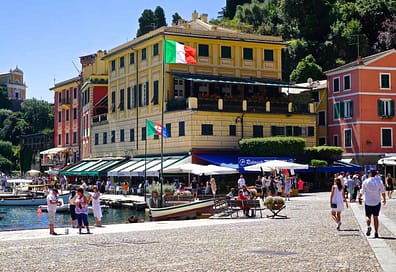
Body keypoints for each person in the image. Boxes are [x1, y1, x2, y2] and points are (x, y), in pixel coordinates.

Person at [359, 170, 386, 238]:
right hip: (377, 202)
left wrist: (359, 198)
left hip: (368, 202)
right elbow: (383, 191)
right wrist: (384, 199)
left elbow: (362, 191)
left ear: (370, 174)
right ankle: (376, 232)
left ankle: (368, 226)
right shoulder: (379, 181)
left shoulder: (366, 181)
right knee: (376, 217)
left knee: (368, 216)